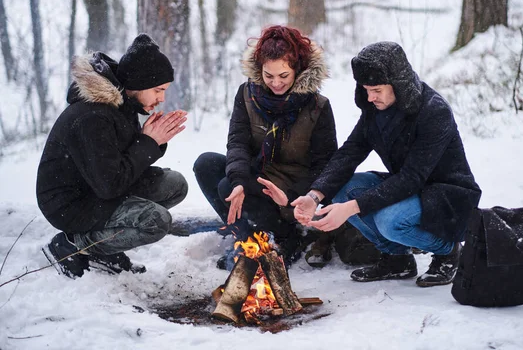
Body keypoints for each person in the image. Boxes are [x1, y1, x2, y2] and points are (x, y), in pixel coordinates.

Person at [293, 41, 482, 287]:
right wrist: (315, 195)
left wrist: (352, 208)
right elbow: (350, 152)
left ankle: (447, 250)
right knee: (340, 190)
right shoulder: (374, 109)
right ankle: (397, 259)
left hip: (446, 194)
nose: (370, 97)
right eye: (365, 89)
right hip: (409, 187)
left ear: (398, 83)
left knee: (390, 221)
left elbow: (412, 177)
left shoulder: (434, 111)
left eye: (377, 90)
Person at [37, 34, 189, 279]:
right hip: (72, 204)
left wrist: (152, 141)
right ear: (138, 84)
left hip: (96, 188)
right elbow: (110, 184)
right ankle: (73, 245)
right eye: (158, 90)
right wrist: (148, 142)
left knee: (175, 185)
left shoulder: (122, 104)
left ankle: (104, 245)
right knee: (156, 221)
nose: (161, 99)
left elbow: (121, 163)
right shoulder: (93, 117)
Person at [193, 25, 337, 268]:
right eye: (269, 76)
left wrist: (292, 197)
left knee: (227, 184)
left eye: (284, 76)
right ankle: (247, 241)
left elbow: (326, 165)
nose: (276, 84)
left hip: (292, 190)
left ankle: (285, 239)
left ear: (298, 70)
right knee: (207, 166)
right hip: (257, 174)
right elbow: (237, 141)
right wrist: (240, 179)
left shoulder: (317, 106)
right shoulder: (247, 94)